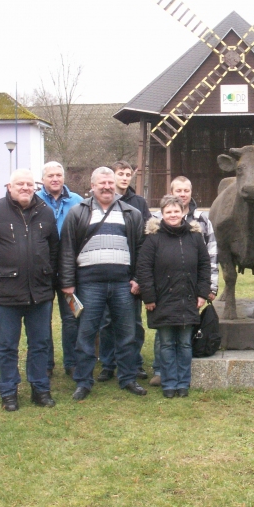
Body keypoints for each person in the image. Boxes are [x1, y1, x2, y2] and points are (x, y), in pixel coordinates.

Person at [0, 168, 59, 411]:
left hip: (39, 292)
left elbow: (54, 251)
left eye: (29, 184)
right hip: (6, 291)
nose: (25, 188)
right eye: (19, 184)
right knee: (8, 346)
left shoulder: (46, 212)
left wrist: (50, 279)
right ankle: (8, 392)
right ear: (9, 187)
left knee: (40, 344)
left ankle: (40, 389)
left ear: (35, 187)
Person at [59, 167, 147, 400]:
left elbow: (141, 250)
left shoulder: (132, 213)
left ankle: (128, 378)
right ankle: (83, 381)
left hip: (122, 285)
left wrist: (137, 278)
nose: (107, 186)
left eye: (110, 182)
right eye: (102, 183)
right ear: (93, 185)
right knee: (86, 334)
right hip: (88, 285)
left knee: (127, 333)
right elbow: (67, 250)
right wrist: (68, 283)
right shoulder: (77, 213)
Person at [136, 195, 211, 398]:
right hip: (162, 300)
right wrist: (149, 297)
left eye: (176, 211)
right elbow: (143, 268)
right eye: (168, 211)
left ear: (183, 212)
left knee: (185, 344)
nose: (173, 215)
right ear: (162, 213)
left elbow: (205, 266)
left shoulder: (195, 237)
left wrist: (202, 293)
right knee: (167, 343)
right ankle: (169, 383)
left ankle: (183, 383)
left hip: (188, 298)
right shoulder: (153, 238)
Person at [148, 176, 218, 387]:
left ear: (190, 192)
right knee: (164, 334)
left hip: (191, 287)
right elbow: (146, 260)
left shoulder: (202, 220)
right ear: (171, 192)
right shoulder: (155, 222)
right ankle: (161, 371)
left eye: (186, 190)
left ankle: (182, 375)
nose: (183, 194)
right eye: (178, 190)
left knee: (186, 336)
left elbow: (211, 255)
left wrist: (209, 287)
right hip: (165, 290)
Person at [97, 160, 151, 383]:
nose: (125, 178)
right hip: (106, 272)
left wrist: (138, 275)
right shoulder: (101, 202)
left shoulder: (139, 203)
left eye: (129, 174)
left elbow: (145, 238)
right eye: (121, 173)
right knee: (107, 321)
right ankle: (108, 363)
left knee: (133, 322)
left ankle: (133, 362)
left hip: (130, 272)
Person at [35, 161, 83, 378]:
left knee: (71, 317)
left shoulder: (77, 201)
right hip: (41, 270)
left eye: (58, 175)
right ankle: (46, 363)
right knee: (42, 320)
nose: (55, 179)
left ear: (64, 178)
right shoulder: (34, 201)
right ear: (43, 179)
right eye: (50, 175)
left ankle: (72, 362)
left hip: (70, 270)